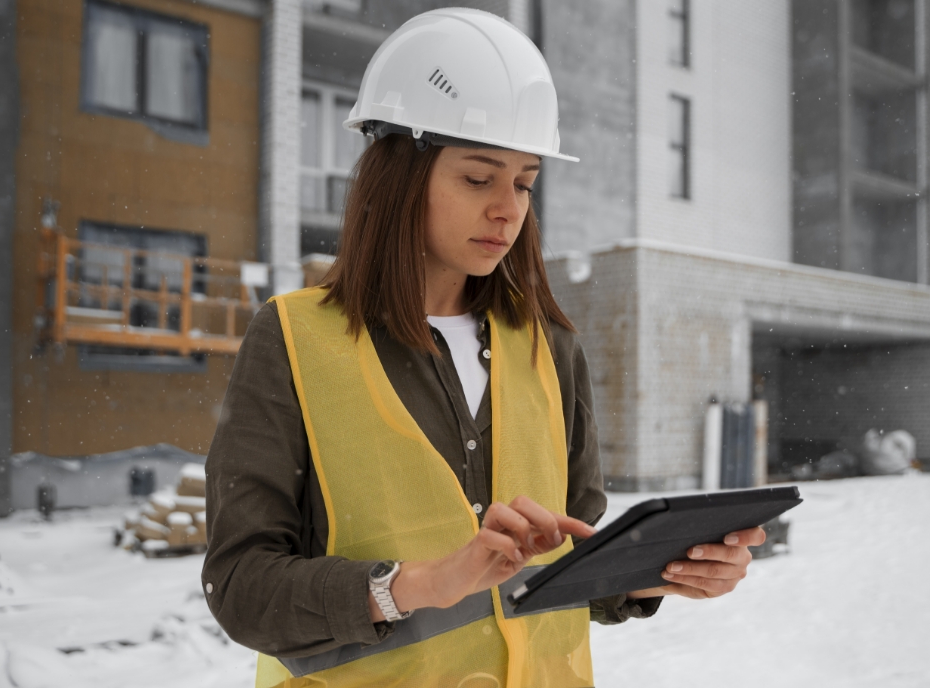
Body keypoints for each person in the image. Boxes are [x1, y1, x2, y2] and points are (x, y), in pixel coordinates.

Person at [201, 8, 764, 687]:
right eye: (478, 178)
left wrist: (659, 572)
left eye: (525, 182)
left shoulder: (551, 348)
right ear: (399, 175)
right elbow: (242, 587)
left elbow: (574, 560)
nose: (508, 208)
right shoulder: (292, 339)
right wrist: (415, 583)